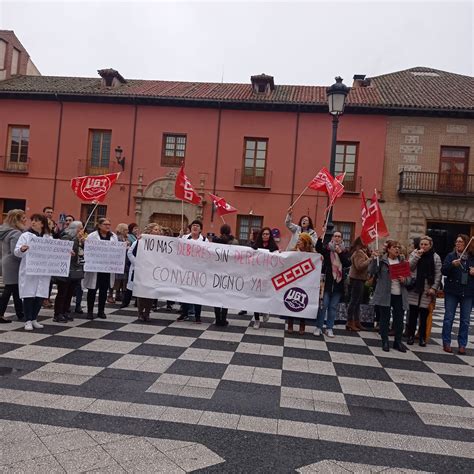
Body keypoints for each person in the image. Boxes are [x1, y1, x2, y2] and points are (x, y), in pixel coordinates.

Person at [369, 241, 410, 352]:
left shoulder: (403, 261)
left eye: (398, 247)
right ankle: (385, 341)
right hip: (385, 294)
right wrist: (373, 259)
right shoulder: (382, 261)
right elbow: (372, 271)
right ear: (388, 249)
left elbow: (409, 279)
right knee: (384, 319)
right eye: (394, 247)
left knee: (399, 319)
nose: (397, 249)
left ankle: (398, 342)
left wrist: (404, 280)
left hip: (399, 295)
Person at [14, 214, 52, 331]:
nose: (33, 223)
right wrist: (22, 249)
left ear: (42, 223)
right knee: (28, 295)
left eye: (36, 221)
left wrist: (65, 253)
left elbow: (55, 251)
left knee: (40, 295)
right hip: (29, 270)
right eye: (33, 220)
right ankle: (28, 320)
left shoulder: (48, 237)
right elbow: (16, 251)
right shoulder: (26, 236)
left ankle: (34, 318)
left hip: (43, 271)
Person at [441, 234, 474, 355]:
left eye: (460, 242)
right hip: (452, 291)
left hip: (468, 292)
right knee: (449, 318)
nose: (458, 244)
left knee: (465, 320)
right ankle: (446, 342)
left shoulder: (472, 257)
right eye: (456, 242)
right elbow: (443, 270)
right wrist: (451, 265)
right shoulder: (451, 256)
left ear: (466, 244)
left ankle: (462, 344)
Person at [406, 235, 442, 346]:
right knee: (412, 315)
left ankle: (422, 337)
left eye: (426, 244)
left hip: (427, 289)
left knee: (424, 315)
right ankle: (410, 336)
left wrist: (434, 288)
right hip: (415, 288)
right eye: (421, 244)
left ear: (430, 246)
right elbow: (409, 267)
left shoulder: (435, 257)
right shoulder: (414, 253)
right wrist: (417, 256)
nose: (423, 246)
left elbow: (438, 274)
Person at [315, 229, 350, 337]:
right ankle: (319, 327)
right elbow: (318, 248)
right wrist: (320, 238)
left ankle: (329, 328)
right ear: (332, 238)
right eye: (335, 236)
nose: (337, 238)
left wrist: (340, 253)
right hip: (327, 283)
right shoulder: (327, 249)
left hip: (338, 283)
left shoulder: (344, 251)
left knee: (333, 307)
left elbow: (347, 263)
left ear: (341, 239)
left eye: (339, 236)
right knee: (323, 305)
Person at [83, 218, 118, 319]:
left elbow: (116, 251)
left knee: (104, 290)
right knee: (92, 290)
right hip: (95, 268)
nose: (108, 226)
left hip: (107, 269)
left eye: (109, 224)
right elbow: (88, 250)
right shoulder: (92, 236)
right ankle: (90, 311)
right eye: (105, 224)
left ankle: (101, 311)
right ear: (99, 225)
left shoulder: (113, 236)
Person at [127, 223, 162, 322]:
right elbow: (130, 253)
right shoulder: (140, 241)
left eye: (159, 230)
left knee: (151, 293)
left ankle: (147, 313)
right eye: (155, 230)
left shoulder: (161, 242)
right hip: (142, 271)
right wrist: (137, 264)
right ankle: (140, 313)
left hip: (153, 271)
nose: (158, 232)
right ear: (150, 231)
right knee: (141, 293)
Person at [53, 221, 85, 323]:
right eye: (80, 228)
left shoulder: (78, 239)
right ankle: (58, 313)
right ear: (75, 229)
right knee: (63, 292)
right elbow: (62, 250)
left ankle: (66, 311)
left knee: (70, 292)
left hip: (74, 269)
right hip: (65, 269)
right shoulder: (66, 237)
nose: (82, 231)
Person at [0, 209, 27, 323]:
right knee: (10, 289)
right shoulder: (16, 233)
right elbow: (15, 252)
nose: (26, 220)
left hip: (6, 261)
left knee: (15, 289)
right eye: (24, 218)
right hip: (13, 264)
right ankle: (1, 313)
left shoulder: (4, 230)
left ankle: (20, 313)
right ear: (17, 219)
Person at [177, 220, 207, 323]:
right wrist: (179, 237)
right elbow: (175, 247)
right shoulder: (185, 238)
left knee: (198, 294)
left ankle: (198, 316)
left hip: (198, 272)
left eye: (197, 226)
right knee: (184, 293)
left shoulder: (204, 240)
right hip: (186, 271)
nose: (195, 227)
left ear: (200, 229)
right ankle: (184, 313)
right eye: (193, 225)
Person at [286, 232, 315, 335]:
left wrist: (320, 259)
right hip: (294, 280)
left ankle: (302, 325)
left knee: (303, 301)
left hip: (306, 281)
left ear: (306, 242)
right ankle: (290, 324)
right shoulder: (292, 252)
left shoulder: (312, 255)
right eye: (298, 239)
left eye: (301, 239)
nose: (298, 241)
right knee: (291, 300)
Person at [252, 227, 279, 329]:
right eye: (263, 234)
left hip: (268, 276)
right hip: (257, 276)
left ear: (270, 235)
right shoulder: (256, 246)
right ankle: (256, 320)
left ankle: (265, 311)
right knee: (256, 298)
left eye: (267, 234)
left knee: (265, 296)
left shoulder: (274, 247)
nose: (265, 236)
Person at [212, 224, 239, 327]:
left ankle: (217, 319)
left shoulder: (215, 241)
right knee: (225, 296)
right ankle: (223, 319)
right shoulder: (234, 242)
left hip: (217, 272)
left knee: (216, 297)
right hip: (229, 272)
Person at [346, 237, 372, 332]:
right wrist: (370, 259)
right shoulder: (358, 253)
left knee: (357, 301)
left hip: (359, 279)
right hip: (357, 279)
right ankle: (350, 321)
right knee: (354, 301)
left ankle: (356, 321)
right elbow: (359, 266)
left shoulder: (361, 252)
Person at [108, 223, 129, 303]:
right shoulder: (117, 238)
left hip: (124, 261)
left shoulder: (125, 238)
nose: (127, 231)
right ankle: (110, 295)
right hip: (117, 261)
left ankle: (118, 294)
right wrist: (125, 246)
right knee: (115, 279)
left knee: (122, 279)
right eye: (126, 229)